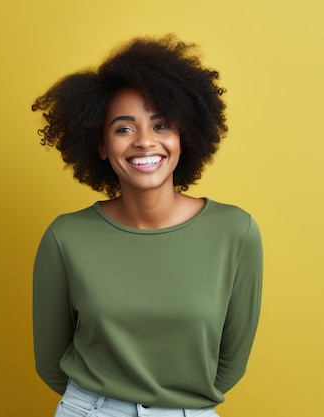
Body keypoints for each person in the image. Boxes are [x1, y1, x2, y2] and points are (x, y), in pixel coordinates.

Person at [31, 34, 263, 417]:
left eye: (160, 126)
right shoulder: (66, 237)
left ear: (182, 136)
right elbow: (50, 360)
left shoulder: (235, 232)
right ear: (101, 145)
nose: (143, 142)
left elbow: (231, 363)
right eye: (123, 129)